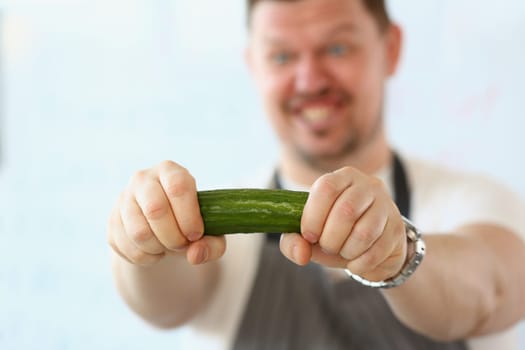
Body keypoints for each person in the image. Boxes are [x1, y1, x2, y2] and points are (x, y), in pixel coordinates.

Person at [107, 0, 525, 349]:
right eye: (282, 56)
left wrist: (398, 254)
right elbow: (163, 307)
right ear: (254, 66)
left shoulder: (477, 200)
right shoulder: (220, 235)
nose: (310, 80)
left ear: (391, 49)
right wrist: (138, 244)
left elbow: (492, 291)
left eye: (338, 49)